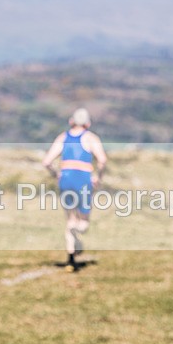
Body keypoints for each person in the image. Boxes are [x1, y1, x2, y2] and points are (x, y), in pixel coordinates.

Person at [42, 108, 107, 272]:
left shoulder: (63, 138)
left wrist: (56, 174)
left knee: (70, 219)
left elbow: (47, 161)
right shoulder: (91, 138)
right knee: (83, 222)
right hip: (83, 179)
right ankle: (76, 237)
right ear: (88, 123)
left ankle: (71, 258)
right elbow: (102, 160)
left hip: (65, 178)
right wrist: (98, 177)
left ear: (71, 121)